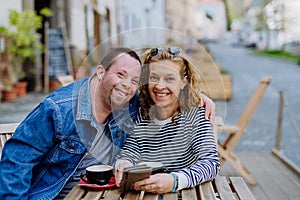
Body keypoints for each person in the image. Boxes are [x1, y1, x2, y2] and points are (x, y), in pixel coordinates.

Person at [0, 47, 215, 199]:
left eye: (133, 81)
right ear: (100, 72)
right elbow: (16, 161)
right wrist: (124, 162)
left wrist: (196, 96)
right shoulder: (60, 109)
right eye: (120, 75)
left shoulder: (131, 106)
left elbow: (210, 162)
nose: (126, 86)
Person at [114, 46, 220, 194]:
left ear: (184, 82)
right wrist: (123, 163)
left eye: (170, 78)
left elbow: (211, 163)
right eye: (154, 78)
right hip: (150, 193)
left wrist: (175, 180)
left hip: (189, 194)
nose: (160, 86)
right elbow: (131, 149)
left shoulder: (194, 114)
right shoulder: (143, 112)